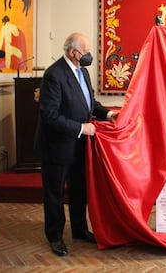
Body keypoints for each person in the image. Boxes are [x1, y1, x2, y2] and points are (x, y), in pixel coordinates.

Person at [36, 32, 118, 256]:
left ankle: (80, 230)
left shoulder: (83, 71)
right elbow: (49, 115)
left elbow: (89, 101)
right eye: (86, 52)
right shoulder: (54, 75)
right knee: (54, 193)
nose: (89, 56)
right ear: (73, 52)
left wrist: (107, 113)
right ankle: (55, 237)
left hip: (79, 146)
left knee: (79, 190)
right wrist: (81, 128)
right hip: (57, 145)